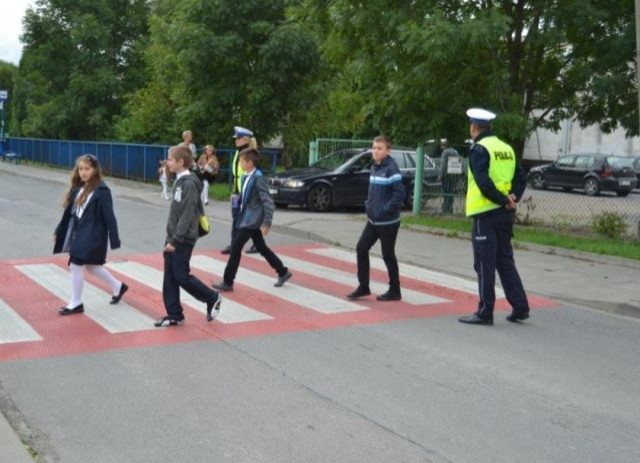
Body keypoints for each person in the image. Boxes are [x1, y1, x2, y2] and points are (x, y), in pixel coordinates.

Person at [458, 108, 530, 326]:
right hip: (505, 215)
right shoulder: (506, 148)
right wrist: (512, 198)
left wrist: (501, 199)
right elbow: (521, 178)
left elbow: (483, 183)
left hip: (485, 214)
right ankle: (520, 307)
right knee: (505, 261)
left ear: (474, 127)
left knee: (484, 263)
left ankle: (485, 311)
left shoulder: (479, 149)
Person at [53, 154, 128, 315]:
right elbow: (69, 213)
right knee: (92, 266)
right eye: (80, 169)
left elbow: (109, 216)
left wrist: (114, 238)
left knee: (75, 264)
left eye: (87, 169)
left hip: (93, 234)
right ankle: (118, 286)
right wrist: (59, 230)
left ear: (95, 170)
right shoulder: (78, 189)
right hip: (80, 232)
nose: (83, 172)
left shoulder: (101, 190)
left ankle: (76, 302)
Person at [156, 145, 221, 327]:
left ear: (180, 162)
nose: (167, 162)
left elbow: (187, 214)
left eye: (170, 160)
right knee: (170, 277)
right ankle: (175, 314)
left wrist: (176, 240)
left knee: (181, 276)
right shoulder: (180, 181)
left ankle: (212, 297)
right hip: (174, 236)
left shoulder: (190, 184)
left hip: (182, 238)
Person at [212, 148, 292, 292]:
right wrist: (237, 199)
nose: (240, 163)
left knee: (235, 247)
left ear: (249, 163)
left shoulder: (258, 178)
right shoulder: (245, 176)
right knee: (261, 247)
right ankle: (282, 271)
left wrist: (267, 222)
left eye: (242, 161)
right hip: (246, 218)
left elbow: (267, 201)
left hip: (251, 221)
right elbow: (247, 198)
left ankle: (227, 281)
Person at [346, 136, 405, 302]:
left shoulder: (391, 169)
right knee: (361, 248)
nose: (376, 151)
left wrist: (385, 210)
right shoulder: (375, 167)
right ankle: (363, 287)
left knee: (388, 255)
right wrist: (369, 205)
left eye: (380, 148)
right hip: (373, 220)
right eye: (374, 147)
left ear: (388, 150)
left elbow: (399, 194)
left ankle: (395, 290)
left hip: (387, 222)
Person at [221, 126, 260, 255]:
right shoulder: (239, 152)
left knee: (248, 220)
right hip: (237, 192)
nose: (236, 141)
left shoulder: (250, 154)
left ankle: (257, 244)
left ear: (245, 139)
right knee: (236, 218)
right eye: (236, 139)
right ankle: (234, 244)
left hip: (247, 192)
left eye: (238, 139)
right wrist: (234, 191)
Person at [438, 139, 460, 214]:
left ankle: (445, 208)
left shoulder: (445, 152)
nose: (441, 147)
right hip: (454, 174)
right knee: (451, 191)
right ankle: (450, 208)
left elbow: (443, 165)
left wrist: (440, 176)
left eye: (442, 145)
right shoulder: (455, 151)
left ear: (444, 145)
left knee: (446, 192)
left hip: (446, 175)